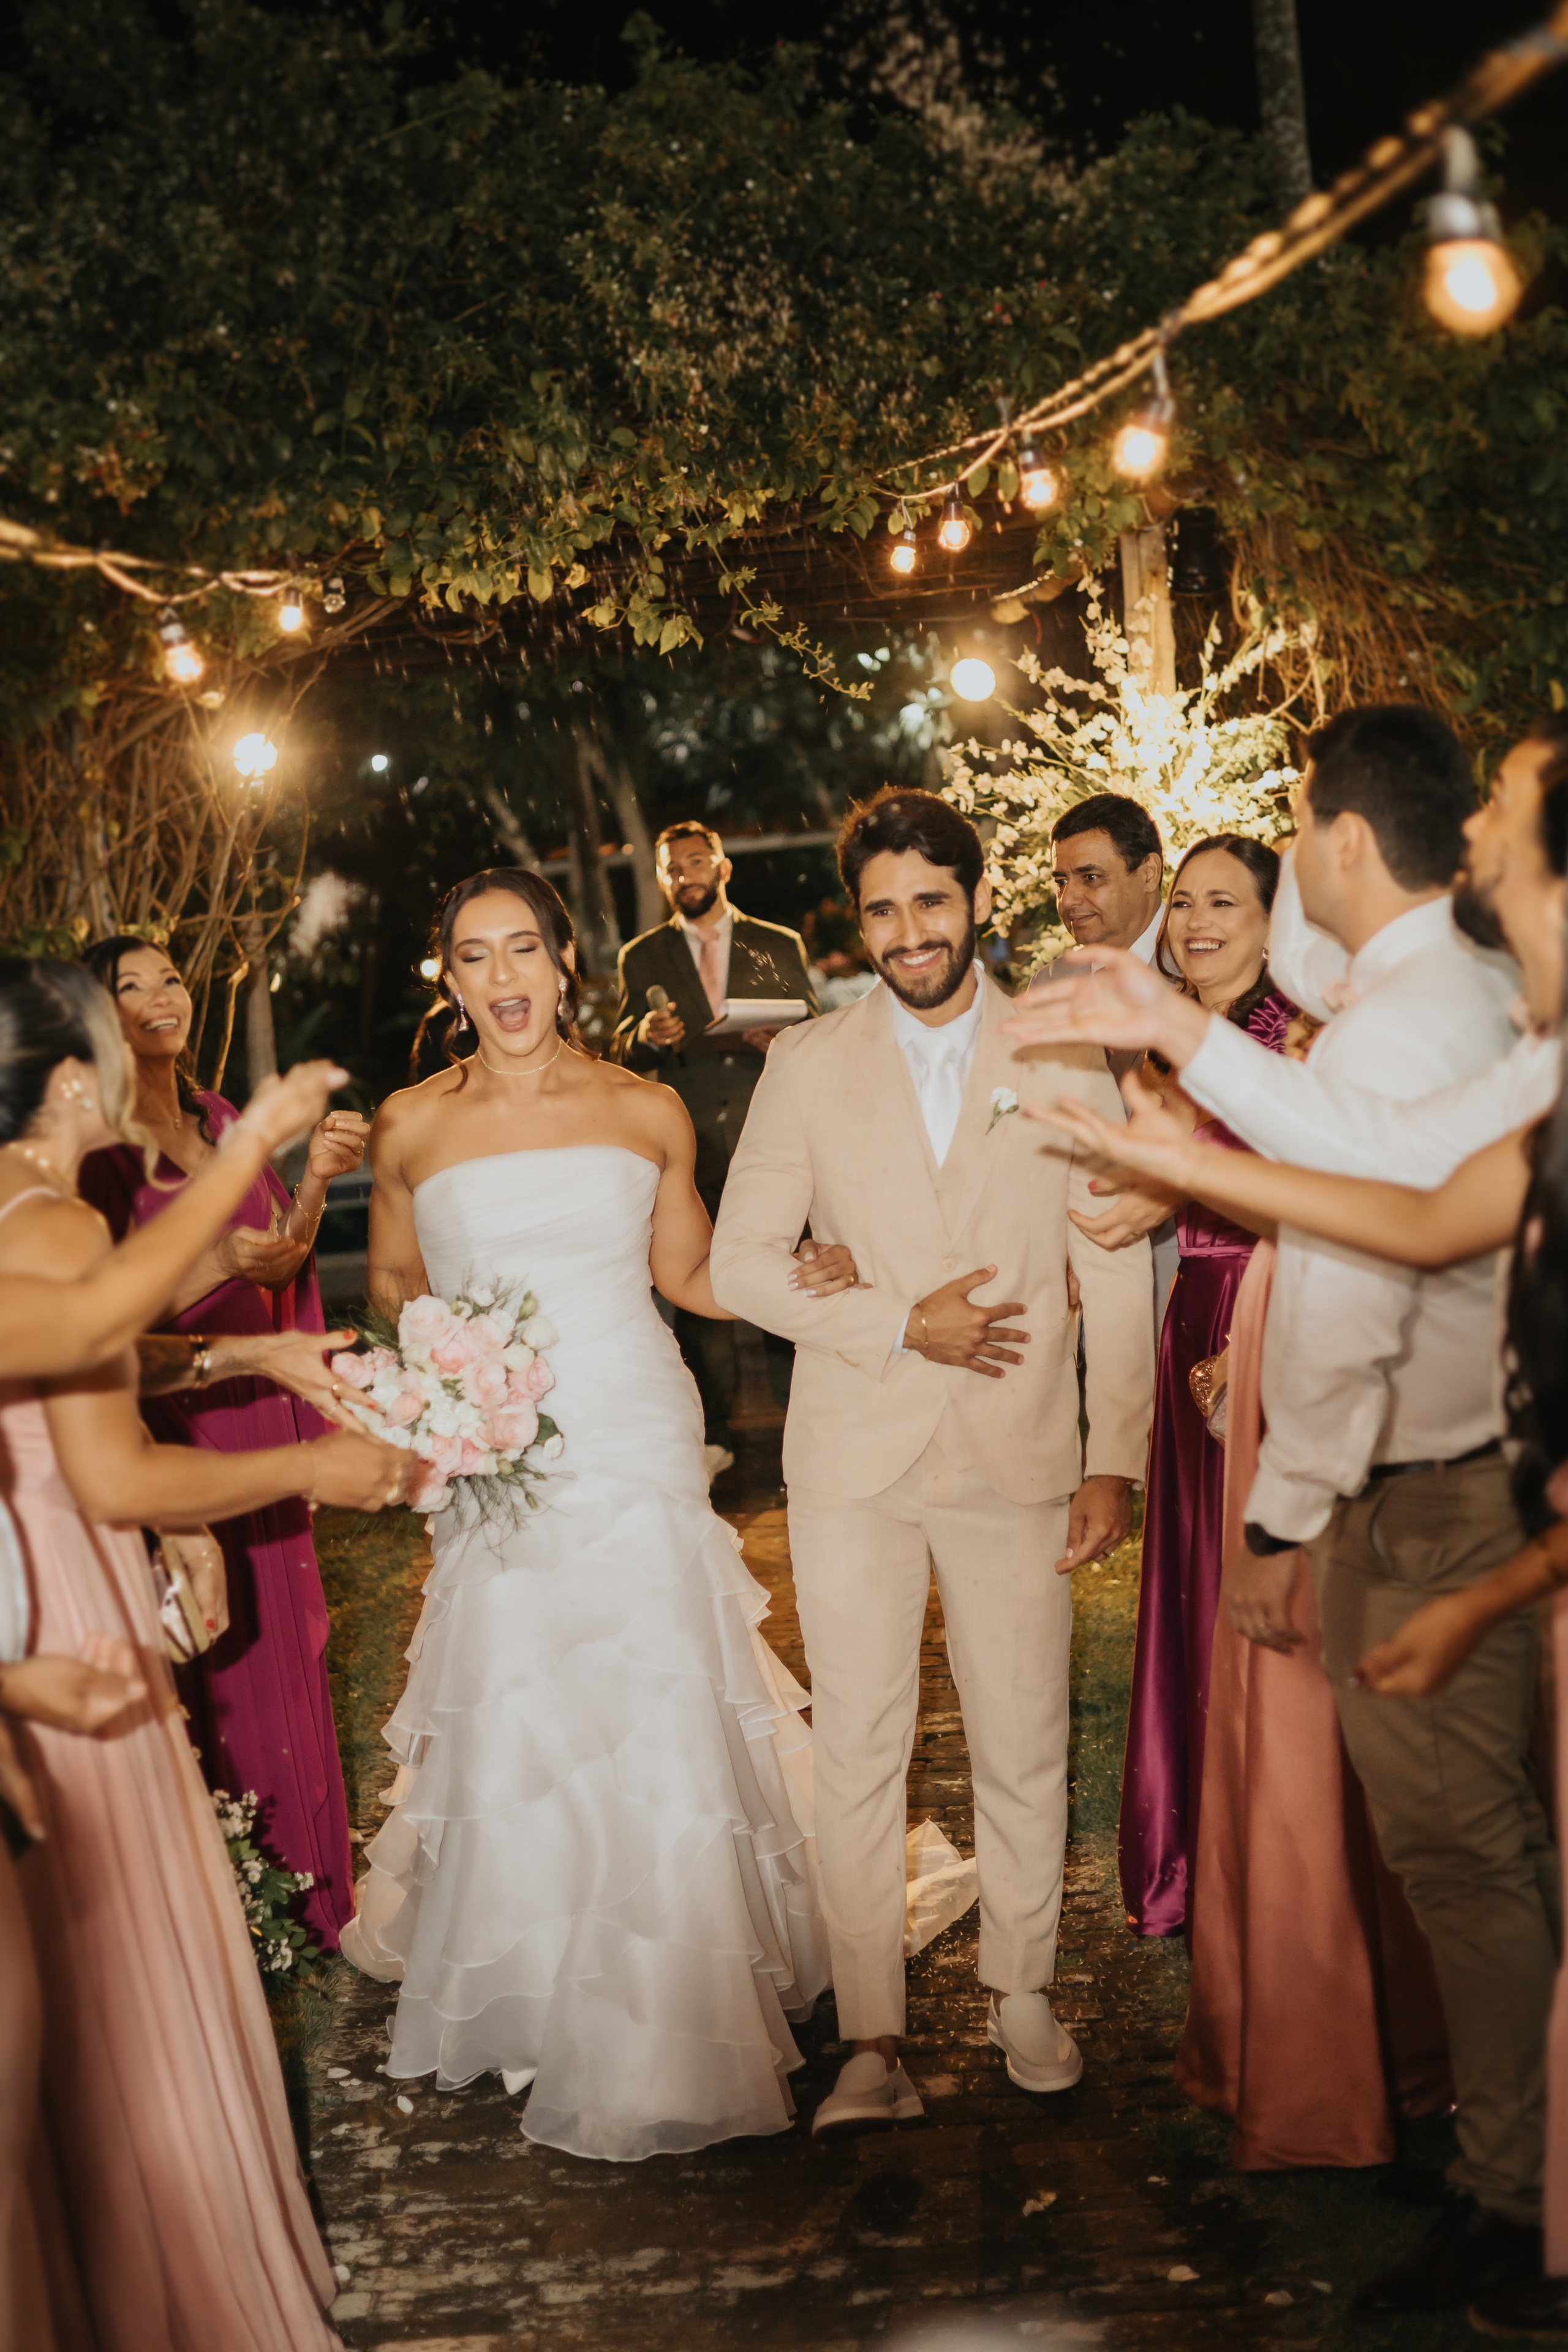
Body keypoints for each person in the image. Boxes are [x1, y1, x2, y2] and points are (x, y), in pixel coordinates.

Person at [1003, 707, 1558, 2317]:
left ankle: (1527, 2207)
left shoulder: (1423, 1019)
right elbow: (1400, 1173)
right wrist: (1177, 1109)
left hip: (1422, 1491)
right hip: (1470, 1485)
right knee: (1490, 1862)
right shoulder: (1445, 1004)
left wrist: (1280, 1512)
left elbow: (1369, 1255)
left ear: (1330, 843)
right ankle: (1511, 2168)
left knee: (1471, 1868)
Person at [340, 866, 859, 2162]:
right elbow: (398, 1286)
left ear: (566, 963)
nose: (505, 978)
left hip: (628, 1420)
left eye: (525, 950)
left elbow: (686, 1274)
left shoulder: (648, 1109)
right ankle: (537, 1966)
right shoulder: (407, 1126)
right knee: (516, 1686)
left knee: (650, 1687)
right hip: (496, 1452)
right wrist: (444, 1389)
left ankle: (674, 1988)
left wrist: (801, 1278)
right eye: (476, 956)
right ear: (448, 978)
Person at [710, 787, 1155, 2135]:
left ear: (974, 902)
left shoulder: (1067, 1058)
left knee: (1022, 1735)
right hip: (853, 1448)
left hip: (1019, 1450)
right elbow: (739, 1264)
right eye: (881, 910)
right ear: (857, 926)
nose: (908, 932)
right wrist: (894, 1321)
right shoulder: (806, 1064)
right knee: (858, 1746)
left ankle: (1024, 1989)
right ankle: (869, 2038)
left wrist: (1112, 1457)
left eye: (930, 902)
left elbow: (1111, 1264)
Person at [0, 957, 407, 2352]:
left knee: (65, 2003)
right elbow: (109, 1464)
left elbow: (94, 1360)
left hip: (34, 1598)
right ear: (69, 1080)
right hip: (70, 1608)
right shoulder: (53, 1221)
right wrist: (313, 1464)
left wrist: (251, 1365)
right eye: (112, 1047)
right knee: (126, 1990)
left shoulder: (18, 1211)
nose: (134, 1066)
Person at [80, 933, 367, 1949]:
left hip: (259, 1389)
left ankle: (323, 1902)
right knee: (214, 1652)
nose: (163, 996)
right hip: (177, 1416)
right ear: (93, 1014)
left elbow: (278, 1255)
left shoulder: (221, 1119)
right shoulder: (99, 1149)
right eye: (131, 985)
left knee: (295, 1636)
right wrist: (216, 1264)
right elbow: (109, 1321)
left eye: (170, 977)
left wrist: (319, 1180)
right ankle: (242, 1904)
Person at [1113, 835, 1294, 1939]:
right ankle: (1197, 1847)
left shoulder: (1296, 1042)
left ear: (1278, 925)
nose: (1195, 922)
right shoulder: (1167, 1051)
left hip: (1272, 1313)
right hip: (1193, 1311)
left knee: (1263, 1579)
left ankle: (1281, 1842)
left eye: (1224, 902)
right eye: (1182, 903)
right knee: (1193, 1579)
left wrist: (1263, 1330)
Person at [607, 822, 818, 1447]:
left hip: (772, 1140)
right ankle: (718, 1445)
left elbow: (815, 1027)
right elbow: (618, 1050)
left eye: (696, 861)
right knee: (701, 1296)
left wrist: (785, 1038)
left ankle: (804, 1430)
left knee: (787, 1282)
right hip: (688, 1146)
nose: (684, 875)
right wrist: (645, 1034)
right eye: (672, 867)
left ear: (723, 869)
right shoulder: (640, 955)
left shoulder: (776, 943)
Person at [1049, 794, 1177, 1320]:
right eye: (1060, 882)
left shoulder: (1204, 961)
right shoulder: (1054, 982)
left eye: (1090, 877)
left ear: (1148, 873)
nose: (1070, 899)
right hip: (1079, 1258)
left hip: (1188, 1249)